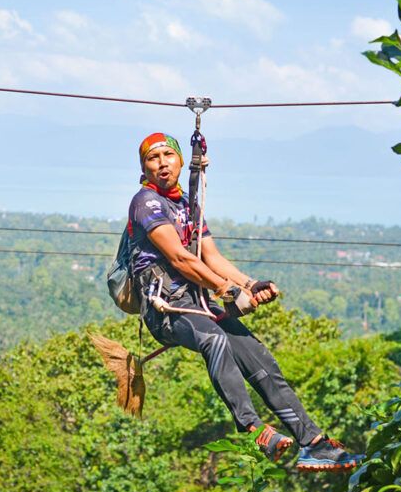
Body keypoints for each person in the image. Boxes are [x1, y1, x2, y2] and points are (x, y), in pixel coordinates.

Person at [127, 132, 364, 471]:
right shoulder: (146, 202)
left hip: (198, 304)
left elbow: (212, 257)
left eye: (168, 155)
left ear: (180, 161)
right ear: (144, 167)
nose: (162, 163)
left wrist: (250, 284)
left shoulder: (187, 207)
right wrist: (229, 291)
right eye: (153, 158)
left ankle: (313, 443)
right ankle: (251, 427)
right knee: (215, 340)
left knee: (259, 358)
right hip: (166, 308)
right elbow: (181, 260)